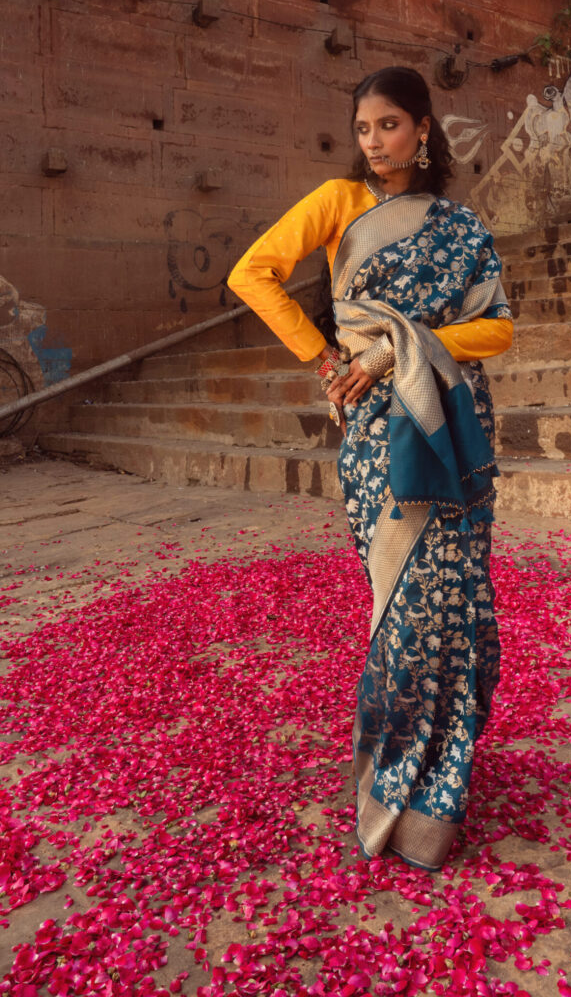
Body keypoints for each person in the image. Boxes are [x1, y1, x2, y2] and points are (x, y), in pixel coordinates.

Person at [228, 66, 513, 871]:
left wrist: (400, 349)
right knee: (403, 599)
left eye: (388, 126)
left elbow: (496, 329)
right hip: (376, 432)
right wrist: (326, 355)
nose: (373, 142)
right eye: (362, 129)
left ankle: (441, 785)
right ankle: (393, 780)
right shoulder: (338, 202)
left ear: (424, 129)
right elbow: (251, 273)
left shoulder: (459, 224)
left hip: (452, 423)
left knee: (455, 603)